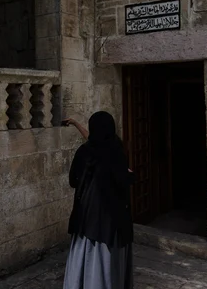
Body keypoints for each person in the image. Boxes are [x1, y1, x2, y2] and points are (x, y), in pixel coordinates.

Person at [62, 112, 134, 289]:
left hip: (88, 215)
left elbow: (73, 181)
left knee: (86, 253)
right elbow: (123, 180)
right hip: (114, 218)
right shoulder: (117, 149)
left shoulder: (85, 152)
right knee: (110, 259)